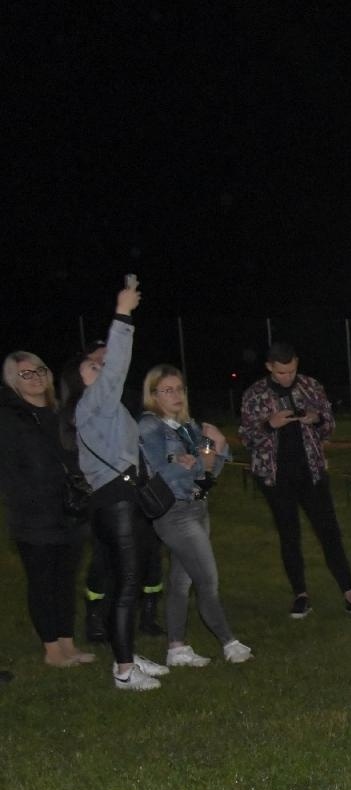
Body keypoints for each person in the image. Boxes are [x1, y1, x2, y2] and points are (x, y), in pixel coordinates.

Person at [58, 278, 171, 690]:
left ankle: (127, 653)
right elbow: (118, 366)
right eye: (92, 368)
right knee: (126, 585)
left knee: (125, 582)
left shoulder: (100, 411)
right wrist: (123, 313)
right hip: (117, 501)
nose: (101, 370)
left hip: (118, 499)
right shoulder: (92, 403)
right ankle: (123, 671)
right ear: (79, 381)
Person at [238, 342, 351, 619]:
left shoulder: (311, 386)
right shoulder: (254, 394)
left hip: (312, 472)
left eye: (292, 371)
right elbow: (246, 437)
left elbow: (329, 426)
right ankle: (300, 596)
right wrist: (270, 424)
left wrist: (316, 419)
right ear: (269, 367)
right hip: (275, 477)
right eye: (281, 373)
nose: (287, 377)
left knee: (330, 532)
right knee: (289, 534)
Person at [138, 365, 252, 666]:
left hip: (197, 507)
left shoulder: (188, 427)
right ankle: (229, 642)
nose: (176, 395)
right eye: (167, 390)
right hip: (174, 512)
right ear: (153, 395)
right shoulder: (150, 426)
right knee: (207, 579)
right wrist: (194, 461)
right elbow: (158, 471)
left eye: (179, 389)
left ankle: (176, 648)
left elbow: (208, 474)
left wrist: (218, 447)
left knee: (181, 580)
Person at [0, 351, 93, 667]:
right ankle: (51, 649)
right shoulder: (10, 418)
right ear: (13, 380)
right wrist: (28, 498)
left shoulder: (60, 413)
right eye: (26, 374)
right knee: (42, 583)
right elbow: (9, 470)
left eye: (39, 370)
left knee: (65, 580)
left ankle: (67, 643)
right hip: (34, 516)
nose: (36, 377)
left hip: (69, 511)